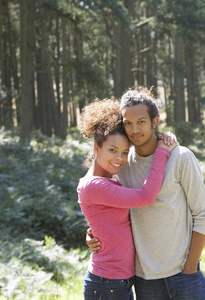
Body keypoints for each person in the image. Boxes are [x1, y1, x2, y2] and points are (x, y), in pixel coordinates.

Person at [87, 87, 205, 299]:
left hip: (184, 275)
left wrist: (190, 267)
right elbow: (106, 209)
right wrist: (90, 234)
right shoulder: (121, 164)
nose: (134, 129)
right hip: (144, 281)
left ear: (155, 122)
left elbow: (202, 214)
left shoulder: (180, 157)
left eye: (141, 121)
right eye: (128, 123)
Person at [77, 98, 178, 299]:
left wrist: (92, 233)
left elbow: (110, 222)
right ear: (97, 148)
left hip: (116, 281)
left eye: (125, 152)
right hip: (107, 283)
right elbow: (146, 196)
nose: (120, 159)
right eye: (112, 150)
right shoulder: (94, 185)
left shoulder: (111, 179)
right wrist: (162, 151)